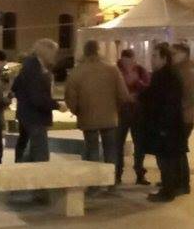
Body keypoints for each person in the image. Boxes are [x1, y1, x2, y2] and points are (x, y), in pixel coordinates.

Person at [64, 40, 131, 187]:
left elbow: (70, 97)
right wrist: (115, 108)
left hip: (88, 117)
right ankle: (111, 182)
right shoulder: (112, 70)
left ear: (85, 52)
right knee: (111, 151)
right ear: (98, 51)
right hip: (110, 117)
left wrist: (77, 111)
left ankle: (94, 183)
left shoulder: (77, 72)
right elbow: (123, 94)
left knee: (92, 150)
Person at [139, 43, 187, 202]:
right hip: (167, 125)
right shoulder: (165, 75)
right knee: (169, 158)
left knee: (166, 159)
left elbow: (167, 102)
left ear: (164, 59)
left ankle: (168, 191)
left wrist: (164, 126)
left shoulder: (166, 76)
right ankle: (172, 187)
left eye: (154, 56)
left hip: (166, 126)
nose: (151, 59)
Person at [12, 39, 62, 165]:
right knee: (40, 155)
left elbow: (15, 87)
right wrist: (57, 105)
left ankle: (21, 173)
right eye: (54, 53)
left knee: (30, 152)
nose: (55, 57)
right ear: (47, 53)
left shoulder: (29, 66)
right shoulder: (34, 70)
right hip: (35, 117)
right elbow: (38, 98)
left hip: (27, 116)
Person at [116, 48, 151, 185]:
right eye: (125, 61)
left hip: (138, 112)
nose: (128, 64)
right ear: (122, 59)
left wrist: (136, 82)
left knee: (140, 144)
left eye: (130, 60)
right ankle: (117, 174)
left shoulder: (140, 71)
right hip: (121, 112)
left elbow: (147, 89)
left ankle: (140, 173)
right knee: (118, 144)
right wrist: (125, 96)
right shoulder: (116, 70)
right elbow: (113, 88)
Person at [171, 42, 194, 195]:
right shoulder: (182, 70)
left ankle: (183, 183)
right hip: (184, 115)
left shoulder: (187, 72)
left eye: (174, 54)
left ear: (184, 54)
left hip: (184, 116)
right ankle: (176, 180)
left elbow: (186, 97)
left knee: (179, 150)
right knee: (177, 149)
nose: (172, 57)